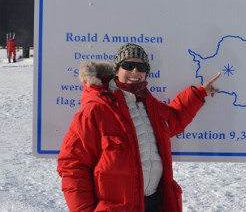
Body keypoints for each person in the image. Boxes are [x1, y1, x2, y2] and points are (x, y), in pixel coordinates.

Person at [57, 43, 221, 212]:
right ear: (117, 70)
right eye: (128, 66)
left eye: (141, 67)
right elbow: (73, 165)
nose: (135, 71)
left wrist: (199, 93)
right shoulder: (96, 110)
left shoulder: (150, 104)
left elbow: (175, 119)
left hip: (155, 203)